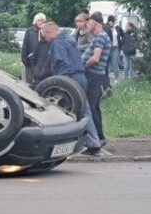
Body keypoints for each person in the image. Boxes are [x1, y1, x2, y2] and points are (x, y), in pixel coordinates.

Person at [37, 22, 102, 151]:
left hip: (70, 78)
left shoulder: (58, 43)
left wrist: (57, 83)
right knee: (85, 110)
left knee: (74, 111)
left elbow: (62, 63)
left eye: (45, 35)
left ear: (50, 32)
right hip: (81, 77)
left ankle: (90, 143)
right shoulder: (69, 39)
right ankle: (93, 141)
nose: (45, 39)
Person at [81, 12, 112, 155]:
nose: (87, 24)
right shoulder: (103, 36)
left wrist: (82, 66)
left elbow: (95, 58)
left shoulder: (100, 37)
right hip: (97, 76)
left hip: (93, 76)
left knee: (90, 108)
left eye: (89, 22)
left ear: (95, 22)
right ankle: (100, 137)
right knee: (94, 107)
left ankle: (95, 142)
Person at [21, 13, 46, 85]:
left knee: (40, 83)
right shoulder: (29, 31)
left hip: (42, 62)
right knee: (29, 83)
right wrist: (25, 60)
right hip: (30, 61)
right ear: (35, 21)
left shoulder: (46, 32)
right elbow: (25, 46)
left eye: (42, 20)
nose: (40, 22)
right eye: (39, 20)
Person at [105, 16, 124, 84]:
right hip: (108, 47)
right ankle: (106, 79)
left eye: (114, 22)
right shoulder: (105, 27)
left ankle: (117, 78)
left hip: (116, 47)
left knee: (115, 62)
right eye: (111, 22)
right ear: (109, 21)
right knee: (107, 63)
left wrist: (121, 43)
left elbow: (123, 35)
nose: (113, 23)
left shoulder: (118, 28)